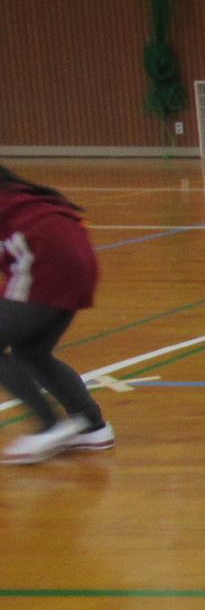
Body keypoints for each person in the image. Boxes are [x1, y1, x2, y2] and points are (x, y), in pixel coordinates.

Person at [1, 166, 113, 464]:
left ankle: (48, 426)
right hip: (79, 269)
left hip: (47, 269)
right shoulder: (19, 196)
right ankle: (91, 426)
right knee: (32, 351)